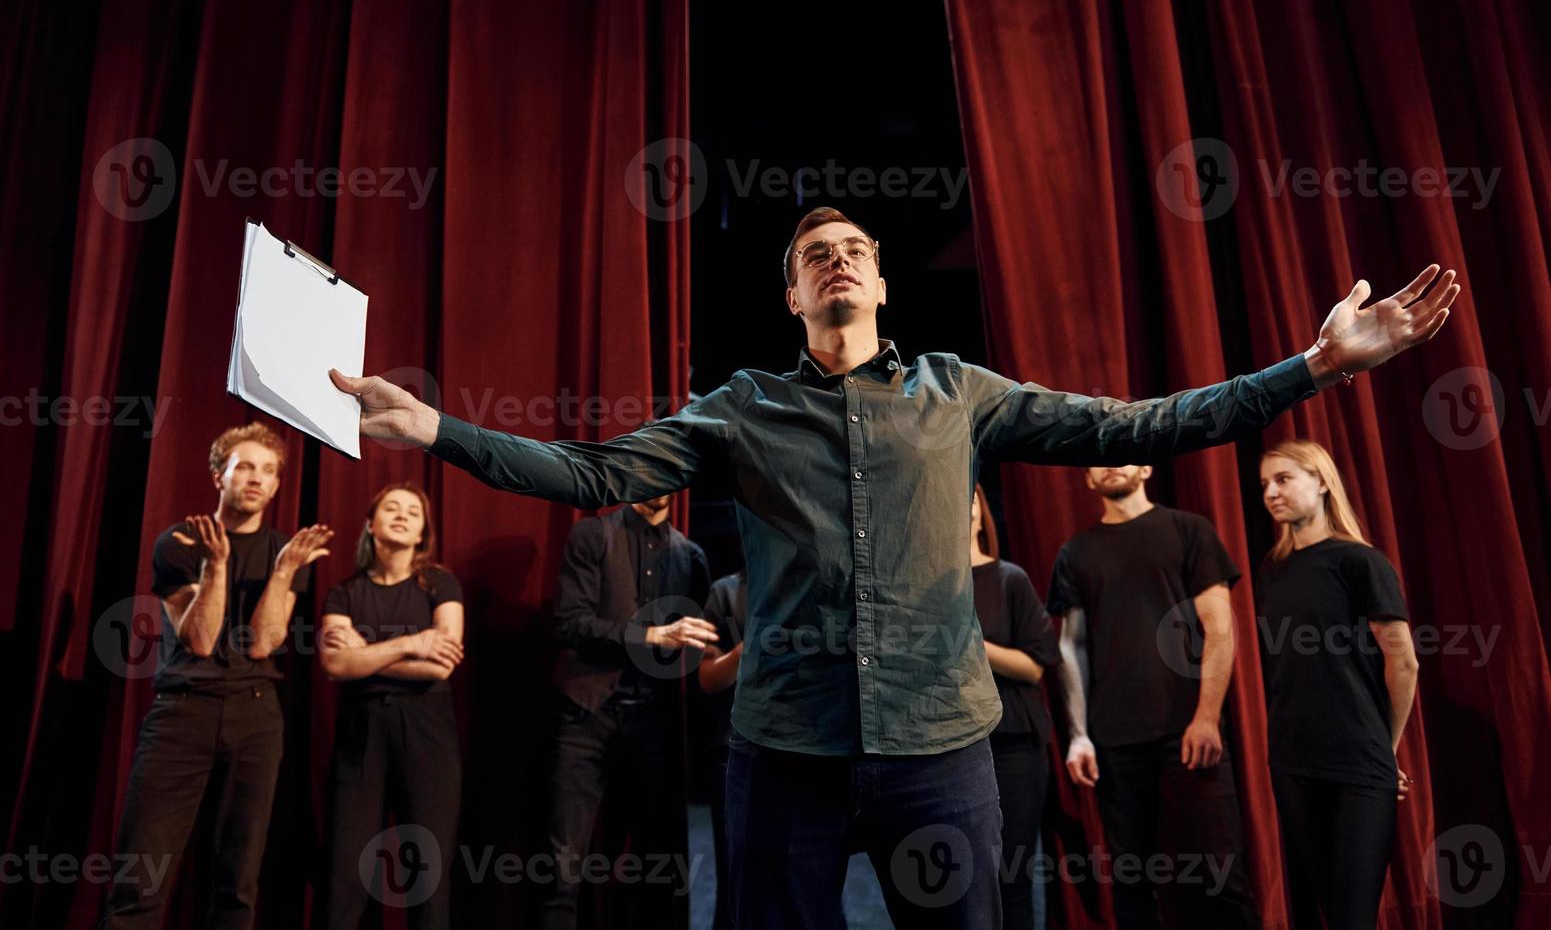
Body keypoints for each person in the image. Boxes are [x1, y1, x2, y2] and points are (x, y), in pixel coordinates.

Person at [329, 205, 1458, 929]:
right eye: (816, 254)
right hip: (783, 755)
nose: (841, 261)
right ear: (793, 296)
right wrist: (436, 431)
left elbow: (1138, 420)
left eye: (858, 249)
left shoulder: (960, 391)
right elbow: (588, 470)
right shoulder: (742, 406)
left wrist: (1313, 365)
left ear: (880, 284)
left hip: (941, 749)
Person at [100, 422, 332, 930]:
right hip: (183, 713)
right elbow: (200, 640)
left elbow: (262, 642)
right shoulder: (180, 542)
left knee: (238, 880)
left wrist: (284, 573)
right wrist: (217, 568)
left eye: (268, 471)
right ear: (218, 476)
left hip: (255, 716)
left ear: (276, 486)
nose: (256, 478)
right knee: (141, 875)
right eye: (245, 466)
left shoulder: (286, 554)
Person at [1048, 466, 1259, 928]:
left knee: (1218, 875)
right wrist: (1079, 735)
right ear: (1087, 480)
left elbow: (1219, 628)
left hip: (1188, 731)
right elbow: (1072, 646)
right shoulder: (1076, 551)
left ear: (1145, 467)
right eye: (1097, 459)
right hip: (1115, 742)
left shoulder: (1188, 530)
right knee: (1133, 885)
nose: (1110, 463)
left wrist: (1206, 717)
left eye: (1123, 452)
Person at [1255, 440, 1418, 930]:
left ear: (1322, 481)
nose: (1271, 492)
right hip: (1291, 760)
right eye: (1264, 484)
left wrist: (1385, 751)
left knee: (1351, 917)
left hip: (1357, 762)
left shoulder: (1359, 562)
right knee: (1309, 912)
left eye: (1283, 479)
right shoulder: (1273, 569)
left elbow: (1404, 662)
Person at [542, 493, 712, 930]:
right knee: (564, 867)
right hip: (586, 717)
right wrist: (651, 636)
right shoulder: (592, 534)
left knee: (659, 868)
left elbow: (700, 647)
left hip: (653, 723)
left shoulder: (690, 555)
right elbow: (570, 623)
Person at [317, 482, 465, 929]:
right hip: (361, 734)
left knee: (427, 871)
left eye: (413, 512)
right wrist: (410, 643)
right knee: (345, 872)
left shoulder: (440, 582)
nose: (402, 516)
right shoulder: (344, 593)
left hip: (427, 732)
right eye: (391, 509)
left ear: (422, 532)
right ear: (370, 524)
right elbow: (335, 664)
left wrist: (367, 654)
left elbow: (441, 665)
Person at [968, 484, 1061, 930]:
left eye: (964, 500)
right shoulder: (918, 588)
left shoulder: (1009, 579)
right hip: (951, 749)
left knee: (1012, 881)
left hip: (1013, 747)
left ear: (979, 512)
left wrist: (972, 644)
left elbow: (1036, 666)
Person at [696, 569, 747, 930]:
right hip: (734, 749)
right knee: (735, 879)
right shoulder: (725, 592)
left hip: (807, 751)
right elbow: (708, 678)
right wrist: (748, 650)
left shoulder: (811, 580)